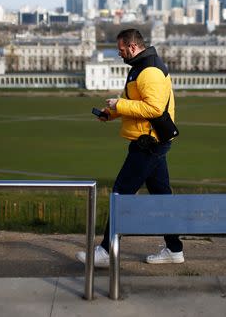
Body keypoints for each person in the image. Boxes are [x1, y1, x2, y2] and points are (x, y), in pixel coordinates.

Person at [76, 28, 184, 267]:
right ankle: (175, 249)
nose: (119, 54)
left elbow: (154, 109)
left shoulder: (150, 71)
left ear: (133, 47)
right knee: (162, 197)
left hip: (148, 143)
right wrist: (110, 113)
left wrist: (120, 105)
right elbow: (136, 102)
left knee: (120, 195)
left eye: (121, 49)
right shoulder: (140, 67)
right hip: (151, 141)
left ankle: (105, 251)